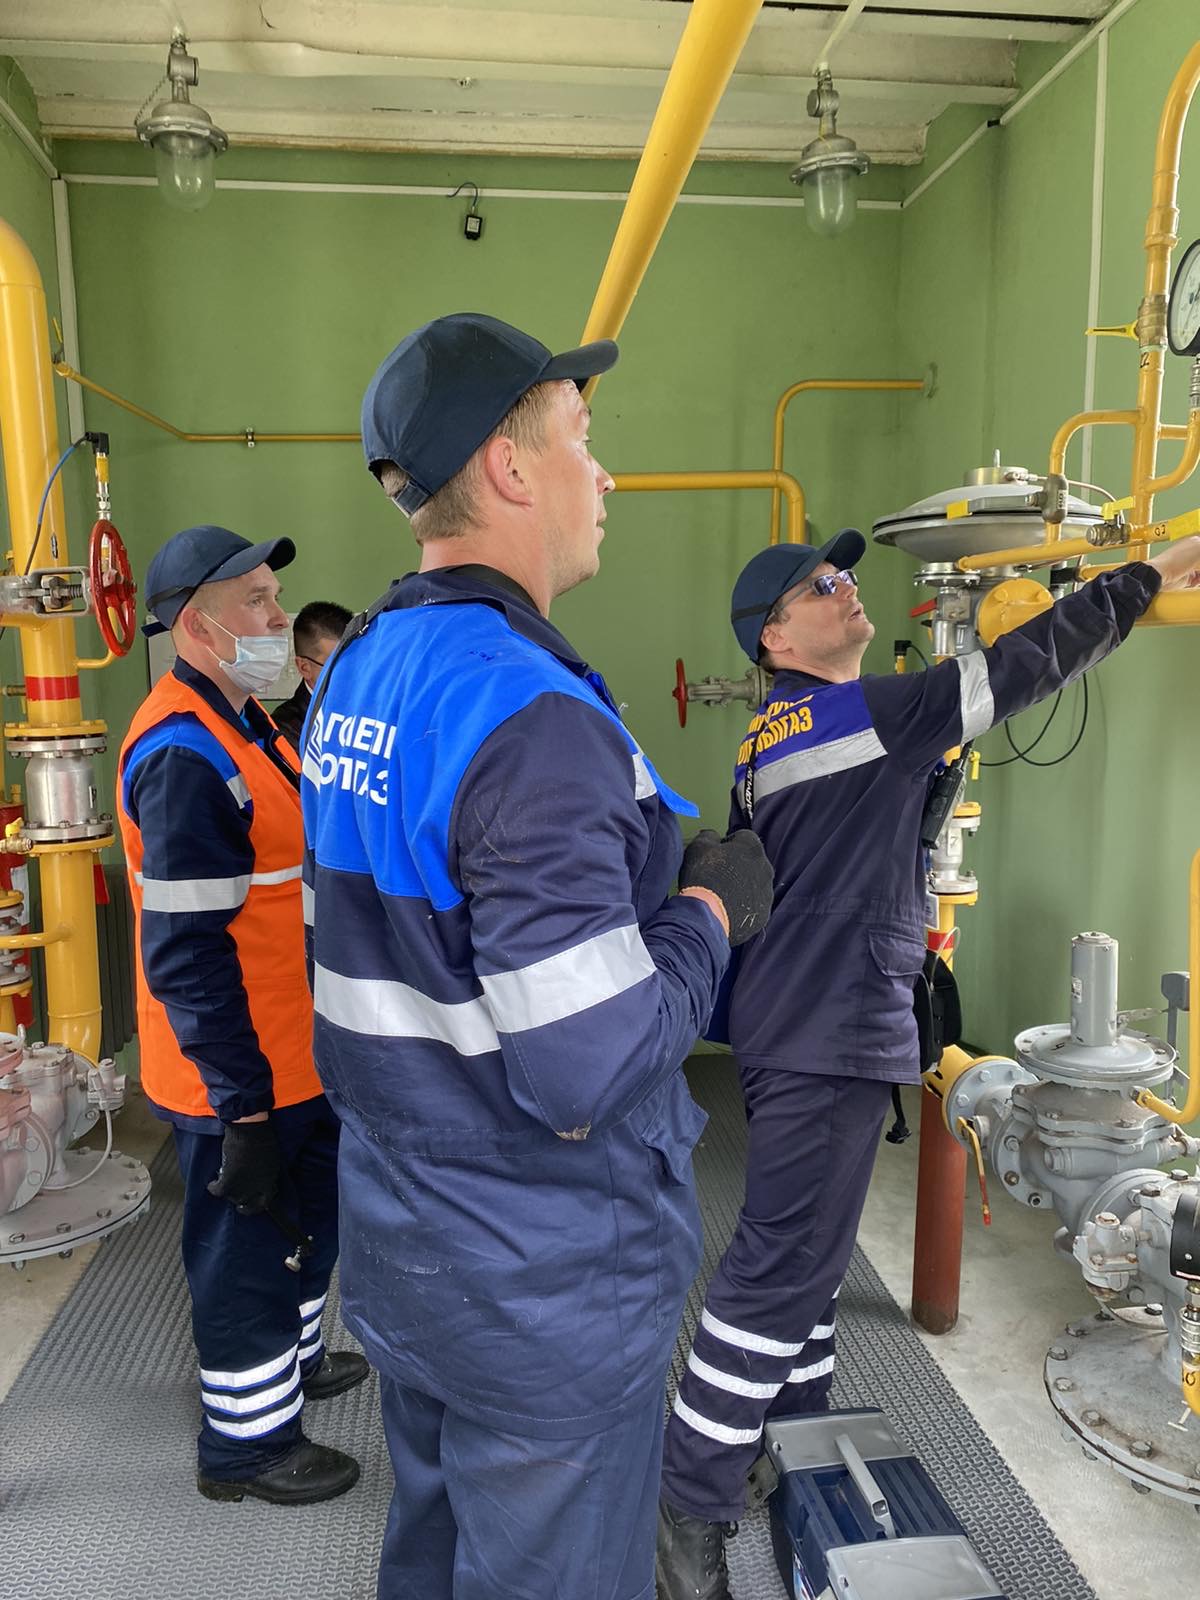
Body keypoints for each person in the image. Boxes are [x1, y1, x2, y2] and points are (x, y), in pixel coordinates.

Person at [300, 313, 774, 1600]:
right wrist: (711, 908)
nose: (603, 472)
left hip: (410, 1243)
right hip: (541, 1283)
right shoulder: (529, 709)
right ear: (511, 468)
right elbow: (583, 1065)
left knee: (437, 1552)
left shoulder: (361, 672)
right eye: (581, 435)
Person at [655, 529, 1200, 1599]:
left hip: (796, 1018)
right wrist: (1138, 583)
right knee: (777, 1269)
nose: (846, 587)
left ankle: (793, 1434)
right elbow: (1023, 664)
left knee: (809, 1261)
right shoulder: (868, 715)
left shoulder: (772, 730)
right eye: (822, 585)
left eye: (846, 573)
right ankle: (690, 1504)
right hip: (827, 1029)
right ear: (776, 637)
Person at [116, 525, 367, 1506]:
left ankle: (293, 1368)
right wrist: (243, 1107)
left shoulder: (248, 722)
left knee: (304, 1229)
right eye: (257, 601)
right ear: (197, 625)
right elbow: (185, 955)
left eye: (273, 596)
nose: (278, 617)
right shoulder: (183, 754)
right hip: (239, 1073)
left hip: (295, 1054)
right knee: (244, 1254)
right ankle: (246, 1446)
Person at [273, 600, 352, 749]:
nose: (350, 675)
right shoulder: (285, 729)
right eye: (336, 666)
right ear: (305, 668)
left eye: (355, 663)